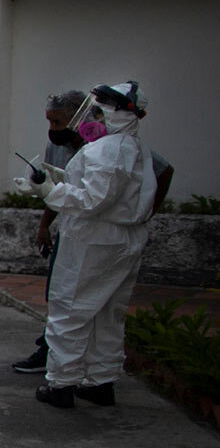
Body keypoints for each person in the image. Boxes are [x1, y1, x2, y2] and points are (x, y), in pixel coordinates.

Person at [13, 80, 157, 408]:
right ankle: (100, 382)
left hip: (95, 240)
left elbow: (94, 200)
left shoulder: (107, 148)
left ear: (116, 112)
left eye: (99, 109)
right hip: (121, 239)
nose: (91, 116)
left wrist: (50, 191)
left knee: (70, 309)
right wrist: (55, 180)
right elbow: (103, 190)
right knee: (107, 312)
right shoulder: (132, 146)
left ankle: (60, 385)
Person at [11, 90, 88, 373]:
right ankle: (50, 352)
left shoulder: (103, 148)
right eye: (49, 122)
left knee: (85, 302)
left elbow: (162, 170)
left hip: (99, 235)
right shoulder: (57, 146)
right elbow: (57, 189)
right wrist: (45, 224)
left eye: (57, 122)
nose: (52, 129)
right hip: (70, 230)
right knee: (58, 293)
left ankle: (69, 370)